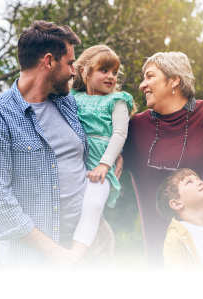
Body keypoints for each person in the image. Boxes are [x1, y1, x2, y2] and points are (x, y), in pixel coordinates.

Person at [0, 21, 114, 269]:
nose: (73, 72)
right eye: (70, 63)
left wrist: (112, 156)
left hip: (94, 244)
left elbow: (100, 133)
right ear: (49, 62)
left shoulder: (68, 104)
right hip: (39, 261)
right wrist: (56, 253)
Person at [121, 52, 203, 268]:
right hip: (161, 261)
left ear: (174, 80)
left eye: (150, 76)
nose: (143, 85)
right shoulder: (132, 128)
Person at [69, 45, 137, 258]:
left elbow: (119, 133)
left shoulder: (117, 100)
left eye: (115, 72)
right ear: (85, 72)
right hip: (74, 163)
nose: (111, 77)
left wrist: (105, 163)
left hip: (101, 164)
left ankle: (75, 256)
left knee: (93, 204)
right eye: (104, 70)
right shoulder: (72, 97)